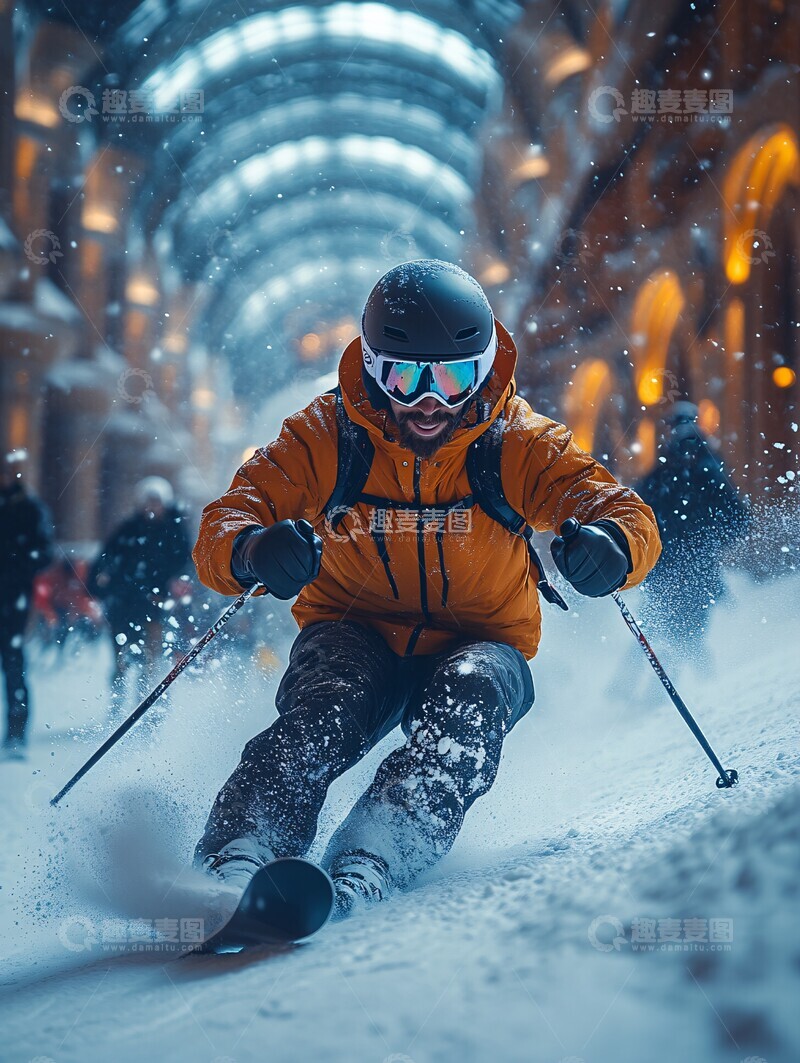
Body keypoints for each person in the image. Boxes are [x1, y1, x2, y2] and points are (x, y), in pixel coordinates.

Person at [192, 260, 662, 916]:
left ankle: (376, 850)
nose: (429, 399)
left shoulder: (516, 441)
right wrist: (251, 550)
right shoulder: (329, 435)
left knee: (465, 716)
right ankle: (242, 845)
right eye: (405, 376)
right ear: (373, 368)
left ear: (484, 367)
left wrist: (615, 547)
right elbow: (228, 518)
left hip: (483, 640)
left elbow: (624, 510)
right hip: (354, 630)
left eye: (453, 376)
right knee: (323, 713)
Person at [633, 402, 749, 655]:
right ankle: (697, 683)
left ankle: (635, 687)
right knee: (685, 636)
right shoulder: (708, 464)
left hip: (666, 566)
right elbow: (738, 518)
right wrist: (711, 543)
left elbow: (639, 507)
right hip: (697, 566)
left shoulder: (665, 467)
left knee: (656, 632)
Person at [88, 477, 191, 711]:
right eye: (148, 501)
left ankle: (146, 710)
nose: (152, 507)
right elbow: (105, 557)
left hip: (154, 605)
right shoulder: (128, 529)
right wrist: (98, 588)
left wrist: (171, 584)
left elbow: (184, 563)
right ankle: (117, 708)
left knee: (150, 662)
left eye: (156, 502)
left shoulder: (174, 532)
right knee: (120, 660)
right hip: (123, 604)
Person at [0, 451, 54, 758]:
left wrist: (18, 564)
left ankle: (16, 733)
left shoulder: (30, 509)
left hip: (13, 598)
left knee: (12, 663)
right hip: (12, 593)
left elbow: (44, 552)